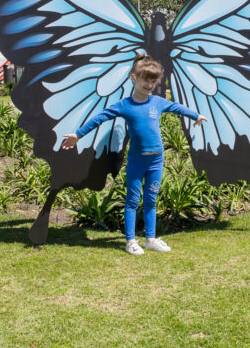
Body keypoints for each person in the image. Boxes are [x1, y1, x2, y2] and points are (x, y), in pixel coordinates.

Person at [61, 54, 207, 256]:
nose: (149, 84)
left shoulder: (157, 102)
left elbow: (176, 107)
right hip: (138, 161)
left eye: (153, 81)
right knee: (132, 200)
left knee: (151, 199)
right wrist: (78, 134)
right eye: (145, 79)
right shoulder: (124, 105)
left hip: (157, 159)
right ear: (134, 78)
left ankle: (150, 239)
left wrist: (196, 116)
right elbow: (99, 118)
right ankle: (130, 241)